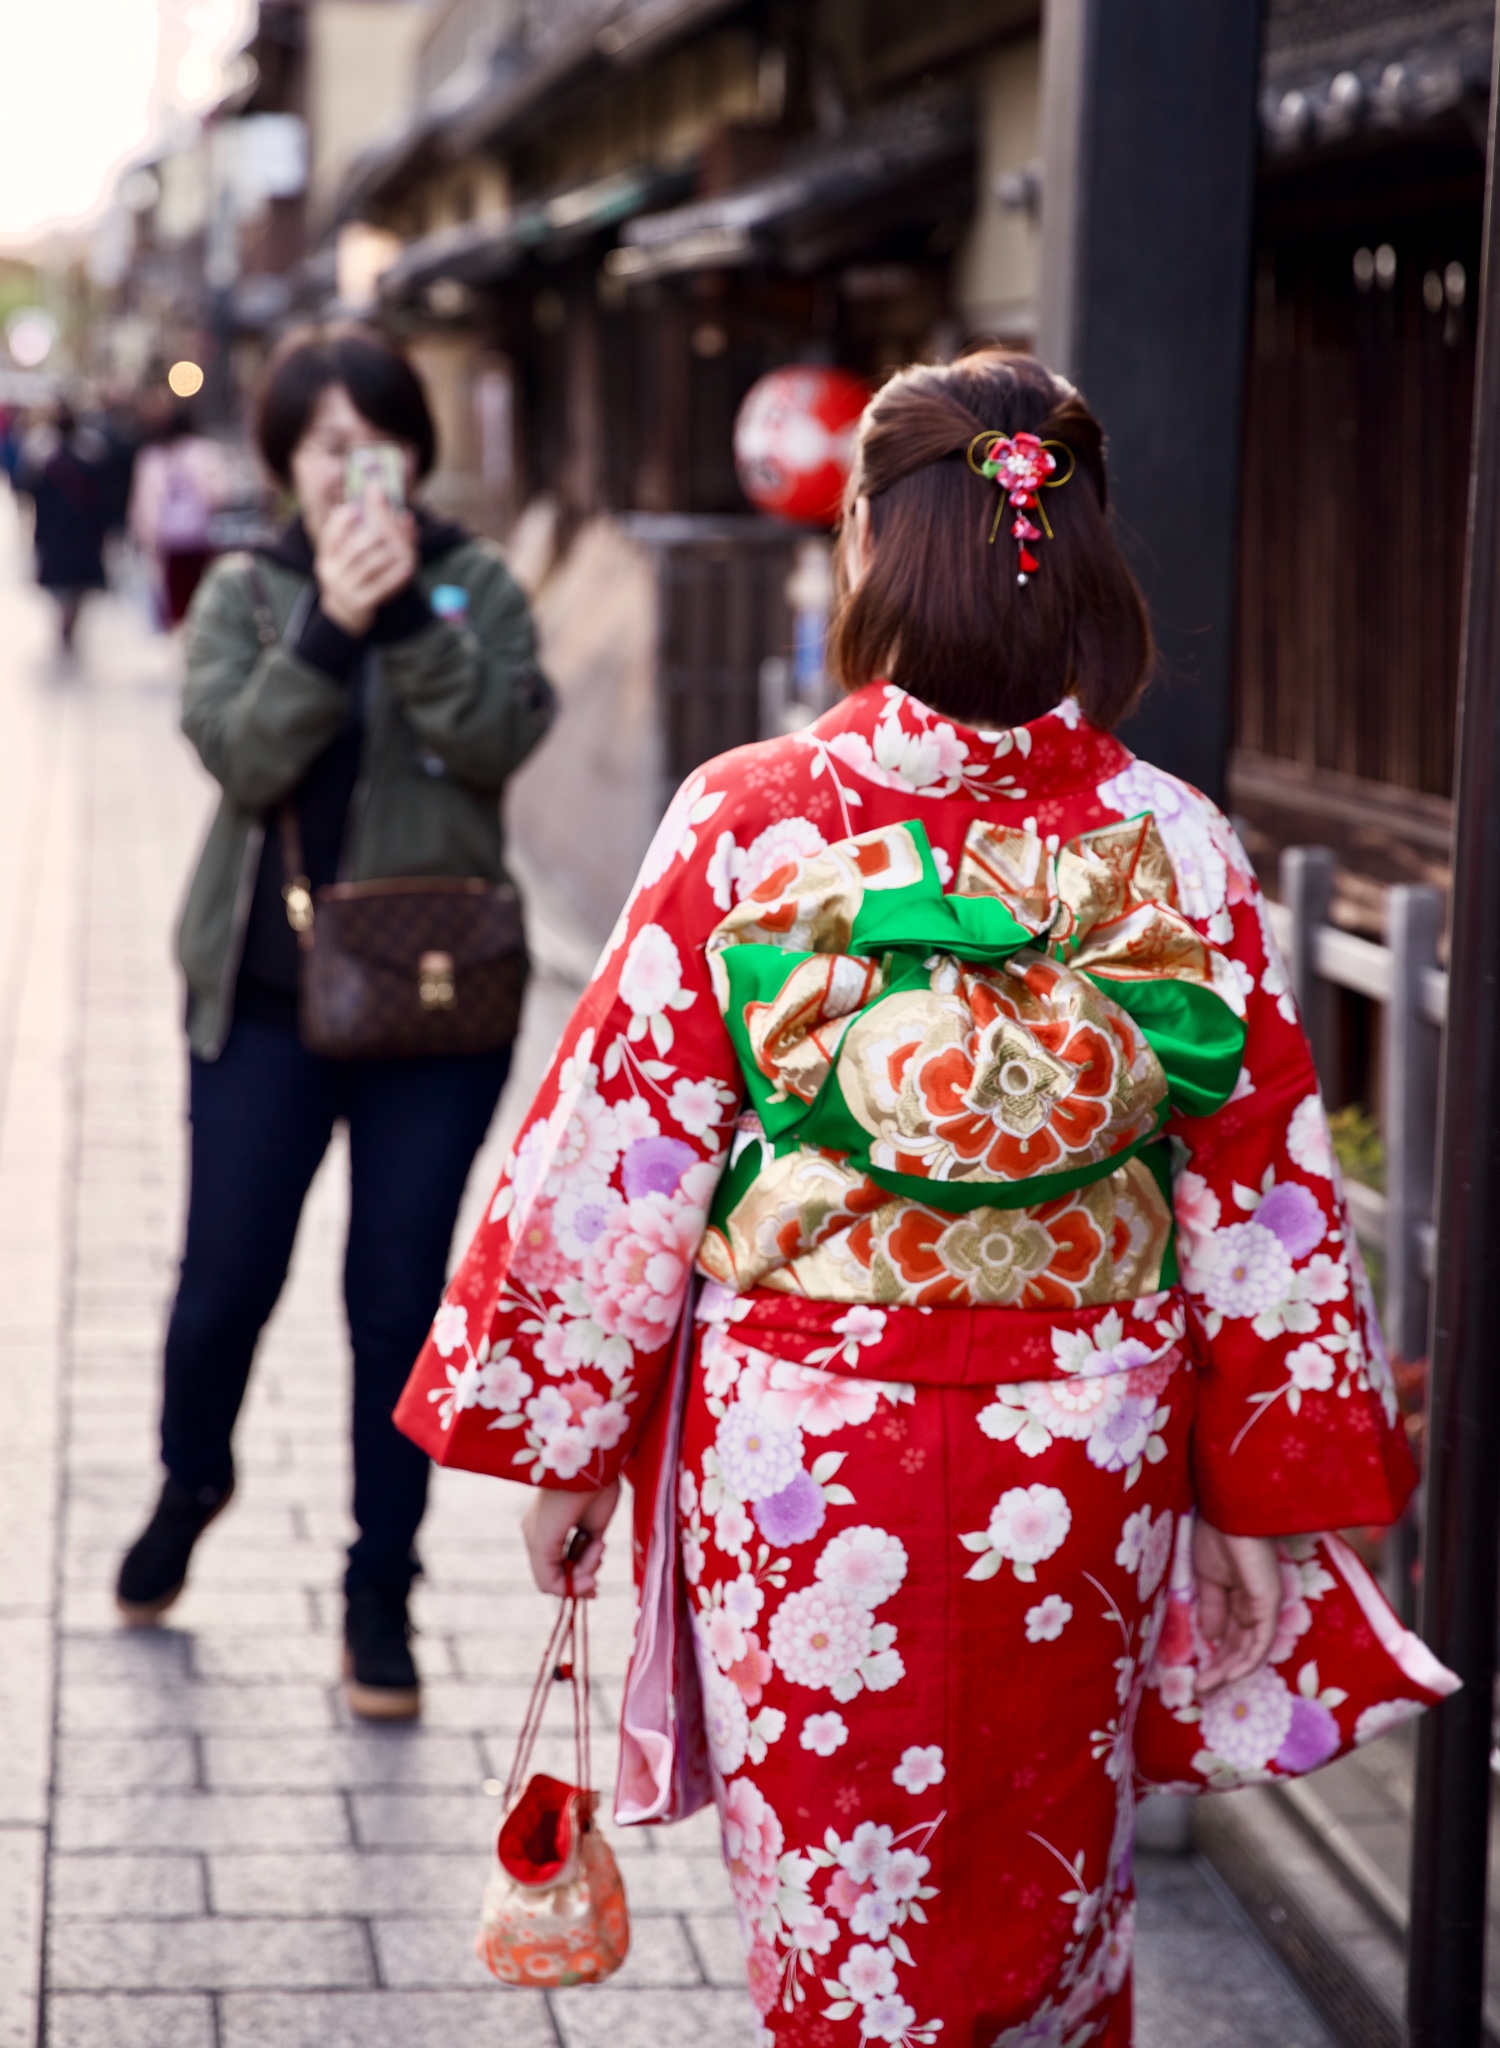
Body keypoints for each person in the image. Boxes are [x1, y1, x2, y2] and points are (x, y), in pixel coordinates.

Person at [393, 349, 1414, 2040]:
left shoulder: (750, 822)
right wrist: (1254, 1494)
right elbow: (1262, 1204)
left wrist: (572, 1440)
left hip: (806, 1452)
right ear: (1079, 554)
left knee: (843, 1908)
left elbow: (629, 1145)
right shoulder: (1178, 845)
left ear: (864, 540)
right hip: (1082, 1448)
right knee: (1053, 1872)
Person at [114, 326, 556, 1720]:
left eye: (375, 445)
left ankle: (380, 1591)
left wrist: (409, 614)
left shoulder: (474, 583)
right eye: (322, 448)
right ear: (283, 463)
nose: (350, 473)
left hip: (438, 1004)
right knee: (221, 1291)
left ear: (414, 455)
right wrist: (329, 624)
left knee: (395, 1304)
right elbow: (241, 752)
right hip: (260, 1000)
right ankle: (193, 1477)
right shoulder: (245, 594)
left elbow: (496, 739)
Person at [128, 396, 233, 625]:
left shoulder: (152, 458)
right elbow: (219, 493)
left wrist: (146, 541)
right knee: (200, 604)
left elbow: (143, 507)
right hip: (198, 538)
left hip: (170, 543)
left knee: (178, 608)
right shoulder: (202, 452)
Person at [22, 402, 111, 650]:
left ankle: (67, 621)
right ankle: (67, 621)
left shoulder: (56, 460)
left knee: (69, 587)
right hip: (74, 535)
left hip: (66, 534)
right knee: (71, 587)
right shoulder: (77, 458)